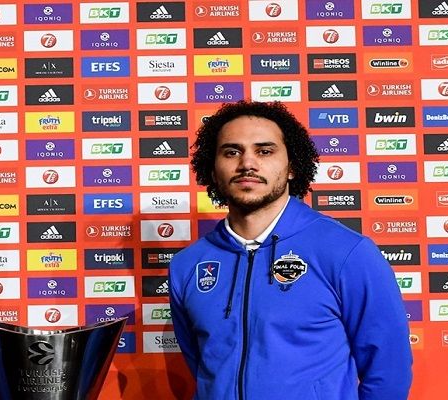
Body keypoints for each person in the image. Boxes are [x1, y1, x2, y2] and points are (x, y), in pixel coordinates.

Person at [169, 100, 413, 400]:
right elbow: (202, 367)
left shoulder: (346, 252)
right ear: (212, 169)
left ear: (293, 167)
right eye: (232, 152)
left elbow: (388, 371)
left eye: (265, 151)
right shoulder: (188, 265)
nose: (247, 163)